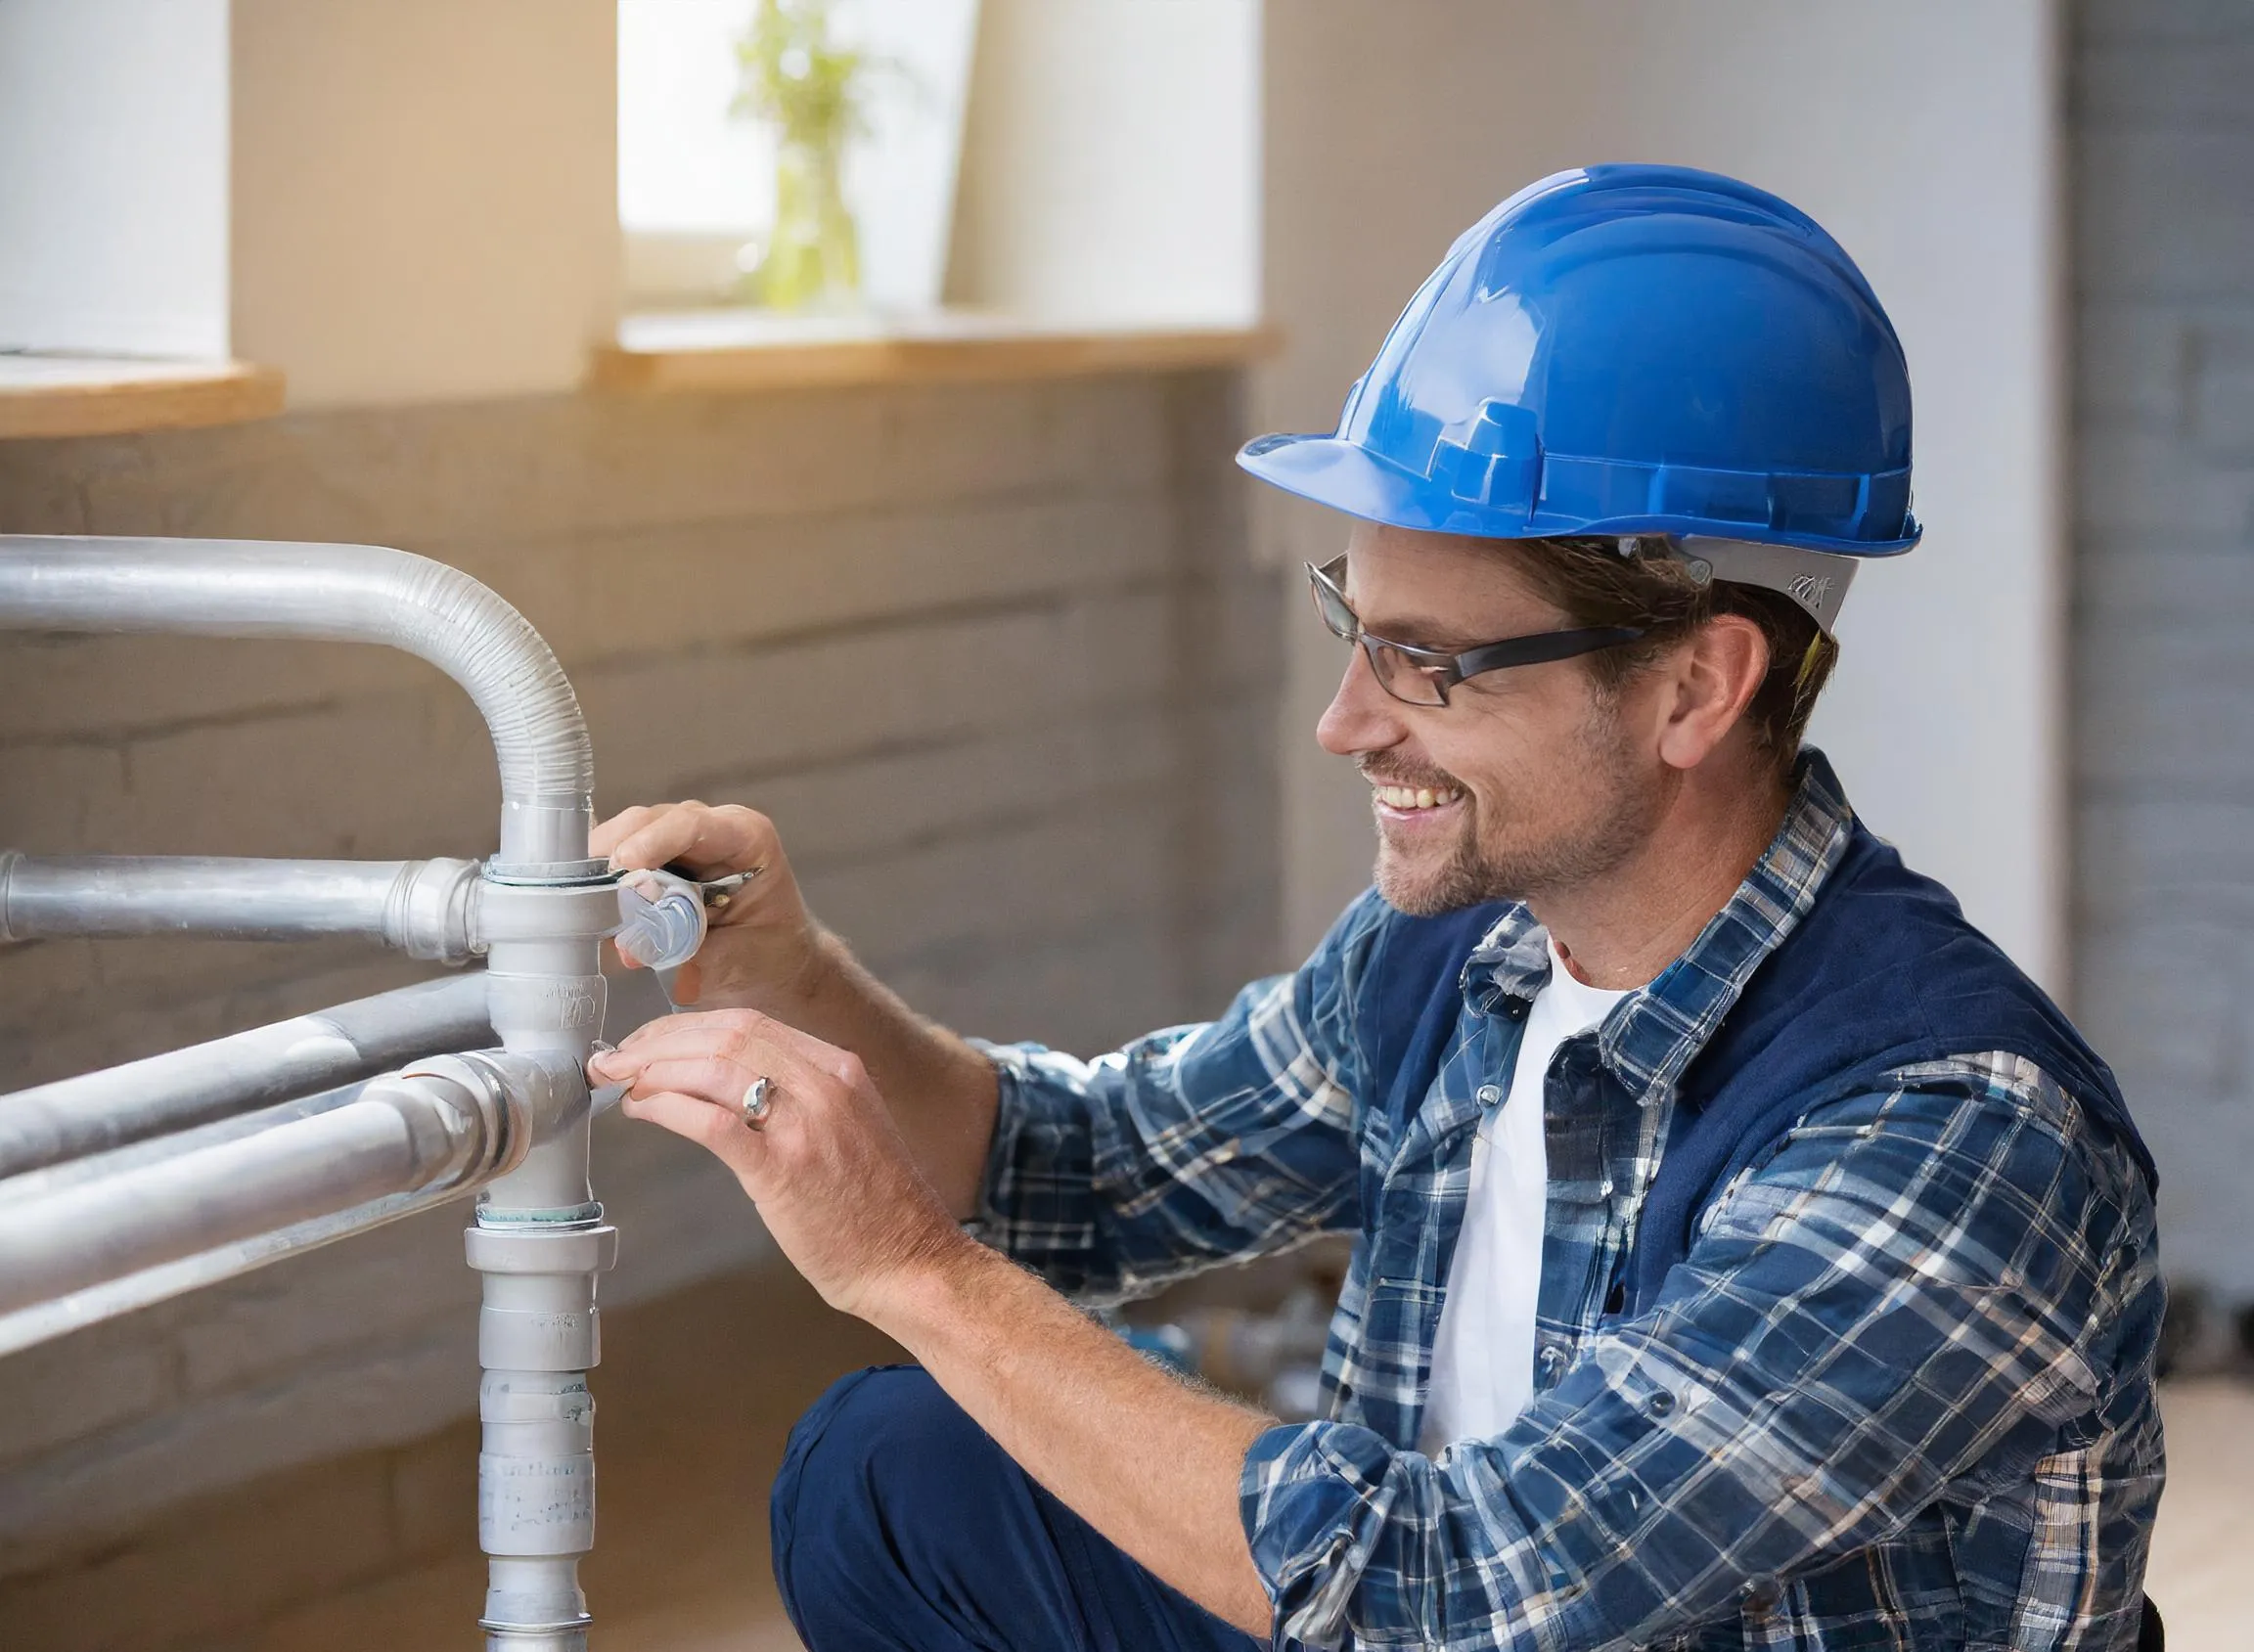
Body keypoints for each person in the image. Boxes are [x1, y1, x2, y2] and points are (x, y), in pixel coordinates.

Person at [585, 165, 2165, 1651]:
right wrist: (792, 975)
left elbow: (1466, 1589)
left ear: (1695, 686)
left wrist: (913, 1276)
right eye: (1356, 622)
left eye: (1431, 661)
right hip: (1421, 1598)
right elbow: (1080, 1174)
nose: (1346, 720)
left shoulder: (1945, 1131)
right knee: (898, 1472)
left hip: (1464, 1600)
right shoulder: (1465, 954)